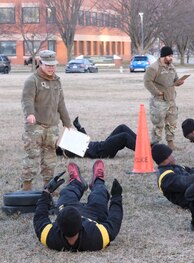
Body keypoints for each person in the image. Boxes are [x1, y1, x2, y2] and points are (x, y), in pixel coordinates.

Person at [33, 160, 123, 251]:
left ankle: (77, 182)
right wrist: (116, 197)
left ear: (58, 226)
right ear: (82, 223)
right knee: (100, 194)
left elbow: (39, 217)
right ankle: (98, 180)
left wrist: (47, 191)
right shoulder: (97, 237)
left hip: (69, 207)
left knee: (66, 193)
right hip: (95, 215)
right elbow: (114, 221)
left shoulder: (50, 236)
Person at [21, 50, 73, 191]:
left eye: (53, 65)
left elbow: (61, 103)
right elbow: (27, 99)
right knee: (32, 156)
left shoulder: (57, 81)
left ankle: (48, 187)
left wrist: (68, 123)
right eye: (48, 65)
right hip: (35, 126)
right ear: (40, 63)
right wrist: (30, 114)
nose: (51, 68)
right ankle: (26, 187)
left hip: (52, 127)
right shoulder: (32, 80)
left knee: (50, 157)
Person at [144, 46, 185, 150]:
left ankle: (170, 144)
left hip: (171, 100)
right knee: (158, 124)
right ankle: (154, 145)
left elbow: (175, 79)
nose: (171, 58)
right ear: (163, 56)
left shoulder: (172, 67)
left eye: (172, 56)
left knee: (172, 123)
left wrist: (179, 82)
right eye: (169, 56)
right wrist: (157, 92)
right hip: (159, 102)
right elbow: (147, 82)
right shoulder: (154, 68)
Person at [56, 117, 136, 158]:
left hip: (102, 145)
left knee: (122, 127)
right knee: (124, 136)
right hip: (102, 152)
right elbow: (82, 146)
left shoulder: (71, 147)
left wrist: (79, 127)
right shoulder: (68, 152)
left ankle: (145, 145)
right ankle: (144, 152)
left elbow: (84, 141)